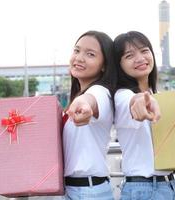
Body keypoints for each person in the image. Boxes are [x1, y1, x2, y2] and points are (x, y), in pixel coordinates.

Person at [113, 30, 175, 200]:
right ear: (119, 65)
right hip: (144, 189)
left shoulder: (160, 96)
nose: (140, 58)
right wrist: (140, 102)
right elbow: (134, 102)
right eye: (129, 55)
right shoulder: (121, 95)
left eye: (144, 51)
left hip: (172, 184)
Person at [63, 30, 117, 200]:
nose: (79, 58)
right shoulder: (78, 94)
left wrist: (85, 105)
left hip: (88, 192)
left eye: (90, 54)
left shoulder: (100, 92)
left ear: (104, 65)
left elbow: (91, 100)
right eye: (77, 50)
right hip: (77, 190)